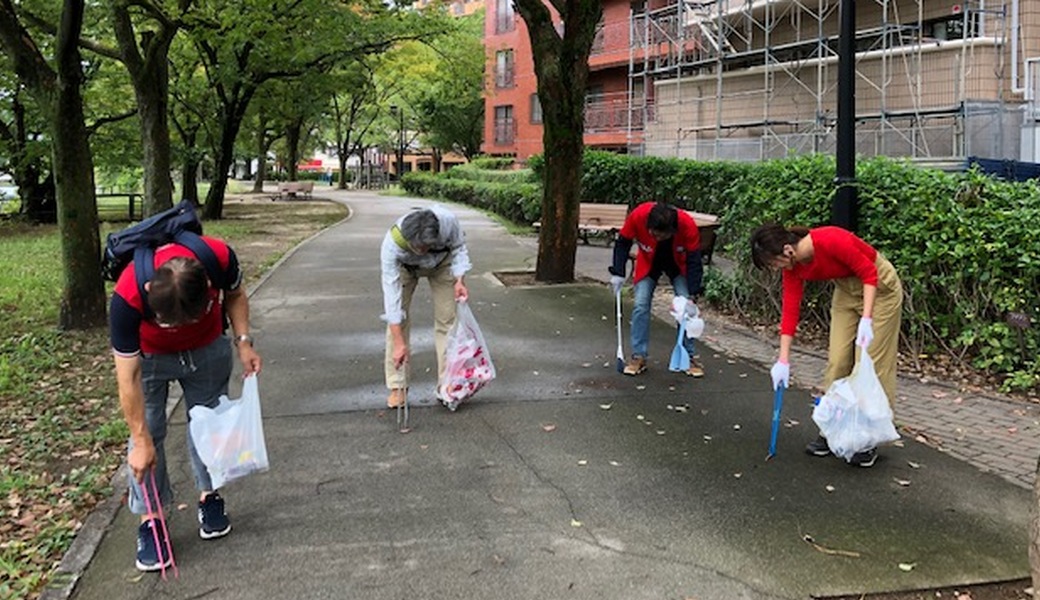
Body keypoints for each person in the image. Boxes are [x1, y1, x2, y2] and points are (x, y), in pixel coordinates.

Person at [110, 236, 261, 571]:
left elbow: (235, 295)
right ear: (150, 289)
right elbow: (127, 377)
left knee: (209, 422)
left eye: (186, 319)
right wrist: (141, 440)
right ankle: (151, 518)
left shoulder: (217, 257)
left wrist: (244, 342)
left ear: (208, 287)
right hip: (149, 358)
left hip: (206, 350)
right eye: (169, 321)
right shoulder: (128, 295)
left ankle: (209, 496)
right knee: (148, 434)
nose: (178, 328)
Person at [750, 223, 903, 468]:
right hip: (846, 289)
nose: (774, 269)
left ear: (787, 250)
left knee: (871, 363)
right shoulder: (794, 267)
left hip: (880, 288)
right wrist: (783, 359)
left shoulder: (830, 240)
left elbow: (868, 273)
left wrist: (866, 319)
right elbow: (790, 310)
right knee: (838, 361)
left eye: (772, 263)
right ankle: (832, 429)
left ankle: (868, 439)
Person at [380, 205, 471, 408]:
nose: (422, 252)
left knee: (447, 321)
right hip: (406, 267)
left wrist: (459, 280)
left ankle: (448, 384)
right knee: (397, 326)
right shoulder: (392, 245)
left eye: (425, 247)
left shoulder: (448, 222)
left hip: (442, 264)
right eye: (418, 248)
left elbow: (459, 248)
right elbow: (391, 298)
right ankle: (398, 386)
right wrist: (399, 343)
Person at [608, 201, 705, 377]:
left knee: (687, 311)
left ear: (672, 231)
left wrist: (693, 295)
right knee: (640, 305)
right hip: (649, 263)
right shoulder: (638, 215)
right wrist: (618, 273)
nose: (656, 237)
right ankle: (639, 356)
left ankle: (688, 356)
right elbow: (623, 243)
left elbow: (694, 261)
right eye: (653, 233)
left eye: (661, 236)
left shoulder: (687, 225)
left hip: (679, 264)